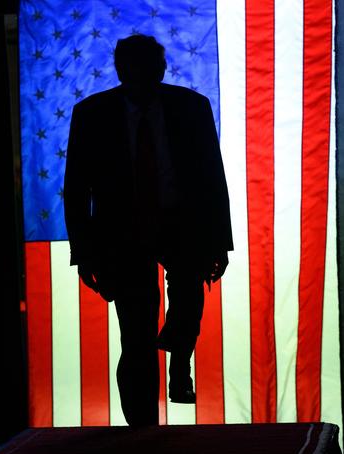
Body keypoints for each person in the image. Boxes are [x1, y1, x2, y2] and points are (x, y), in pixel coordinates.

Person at [63, 34, 233, 427]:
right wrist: (84, 252)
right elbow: (76, 186)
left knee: (187, 304)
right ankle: (142, 426)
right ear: (121, 70)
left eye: (148, 67)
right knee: (136, 335)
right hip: (123, 234)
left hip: (181, 224)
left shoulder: (191, 107)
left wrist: (218, 242)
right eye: (133, 68)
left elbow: (212, 176)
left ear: (161, 69)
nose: (141, 75)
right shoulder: (92, 113)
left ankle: (178, 361)